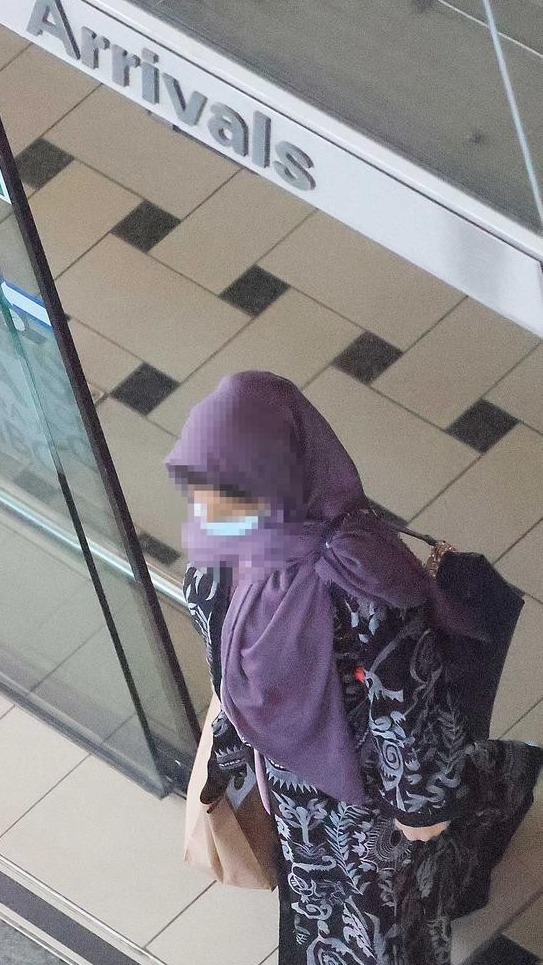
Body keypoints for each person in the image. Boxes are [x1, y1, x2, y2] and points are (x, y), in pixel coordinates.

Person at [164, 370, 543, 965]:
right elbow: (231, 675)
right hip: (288, 779)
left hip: (367, 787)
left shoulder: (358, 571)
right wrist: (227, 754)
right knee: (316, 892)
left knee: (383, 907)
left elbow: (404, 697)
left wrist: (418, 804)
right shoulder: (221, 557)